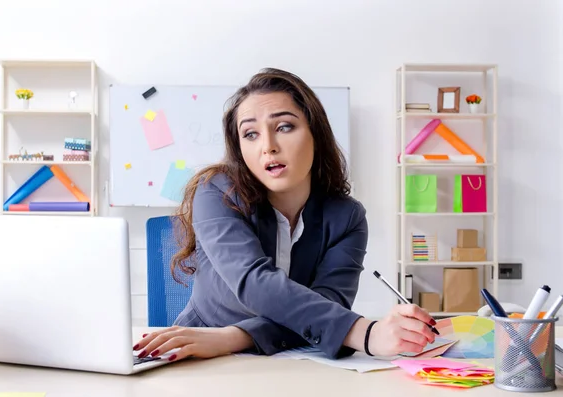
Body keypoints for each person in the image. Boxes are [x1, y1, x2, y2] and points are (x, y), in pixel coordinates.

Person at [132, 68, 436, 362]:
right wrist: (366, 334)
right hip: (200, 347)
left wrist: (233, 337)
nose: (268, 146)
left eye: (284, 127)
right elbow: (256, 283)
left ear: (315, 133)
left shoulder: (347, 217)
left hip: (290, 355)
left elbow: (328, 304)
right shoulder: (216, 191)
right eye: (250, 134)